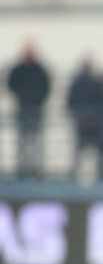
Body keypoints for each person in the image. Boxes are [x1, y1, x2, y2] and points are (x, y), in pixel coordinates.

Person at [7, 42, 51, 178]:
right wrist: (22, 96)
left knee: (36, 141)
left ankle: (36, 170)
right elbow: (11, 84)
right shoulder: (18, 69)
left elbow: (47, 87)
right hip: (22, 109)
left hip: (36, 109)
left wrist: (37, 99)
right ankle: (22, 169)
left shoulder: (40, 69)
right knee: (22, 141)